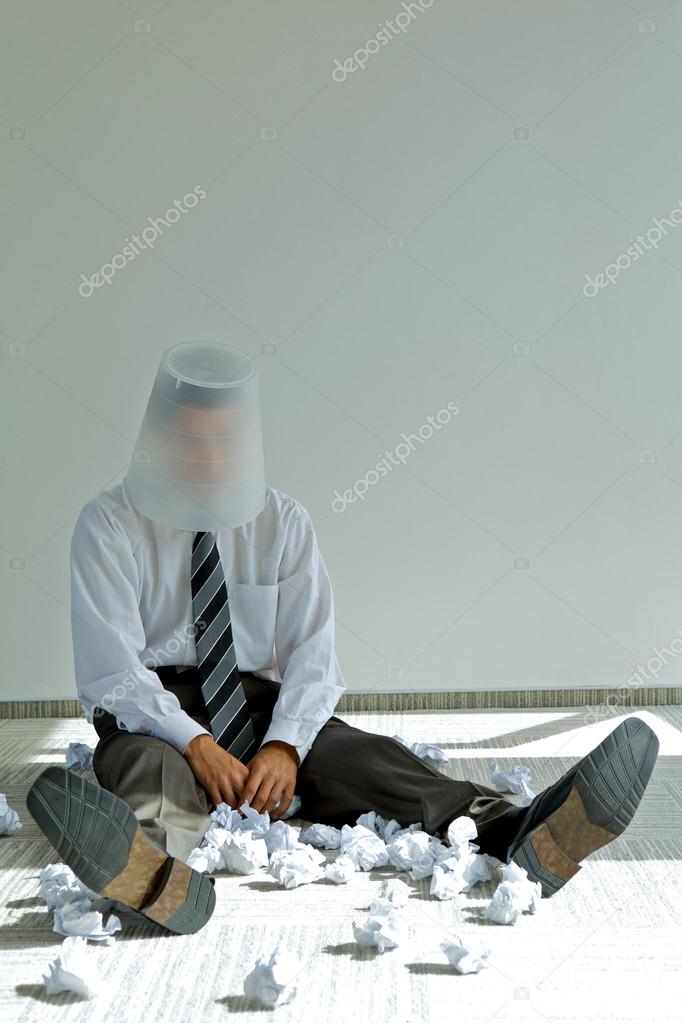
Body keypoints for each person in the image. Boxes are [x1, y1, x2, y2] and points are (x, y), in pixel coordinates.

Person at [27, 341, 660, 935]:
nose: (209, 458)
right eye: (192, 440)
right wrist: (193, 743)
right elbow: (112, 669)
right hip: (155, 716)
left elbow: (312, 655)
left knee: (364, 762)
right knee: (151, 776)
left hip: (260, 706)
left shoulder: (283, 522)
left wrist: (284, 747)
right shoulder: (108, 525)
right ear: (158, 440)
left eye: (224, 442)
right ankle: (153, 876)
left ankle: (516, 830)